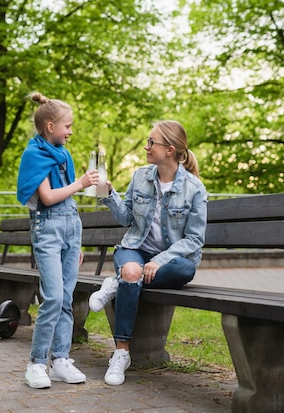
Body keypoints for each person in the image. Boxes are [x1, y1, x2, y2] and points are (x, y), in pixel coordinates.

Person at [89, 120, 208, 385]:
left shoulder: (194, 188)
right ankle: (121, 354)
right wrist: (109, 194)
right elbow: (126, 218)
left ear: (169, 149)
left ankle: (117, 283)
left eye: (151, 142)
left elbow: (195, 239)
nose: (146, 146)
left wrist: (160, 259)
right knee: (131, 270)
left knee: (185, 269)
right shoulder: (140, 175)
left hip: (170, 262)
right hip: (135, 249)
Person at [17, 92, 100, 389]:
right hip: (48, 229)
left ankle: (61, 360)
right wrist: (80, 184)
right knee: (52, 297)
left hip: (69, 229)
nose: (71, 131)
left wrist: (77, 243)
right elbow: (49, 197)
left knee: (66, 297)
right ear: (50, 126)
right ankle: (37, 363)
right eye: (67, 126)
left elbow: (69, 204)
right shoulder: (34, 155)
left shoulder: (63, 153)